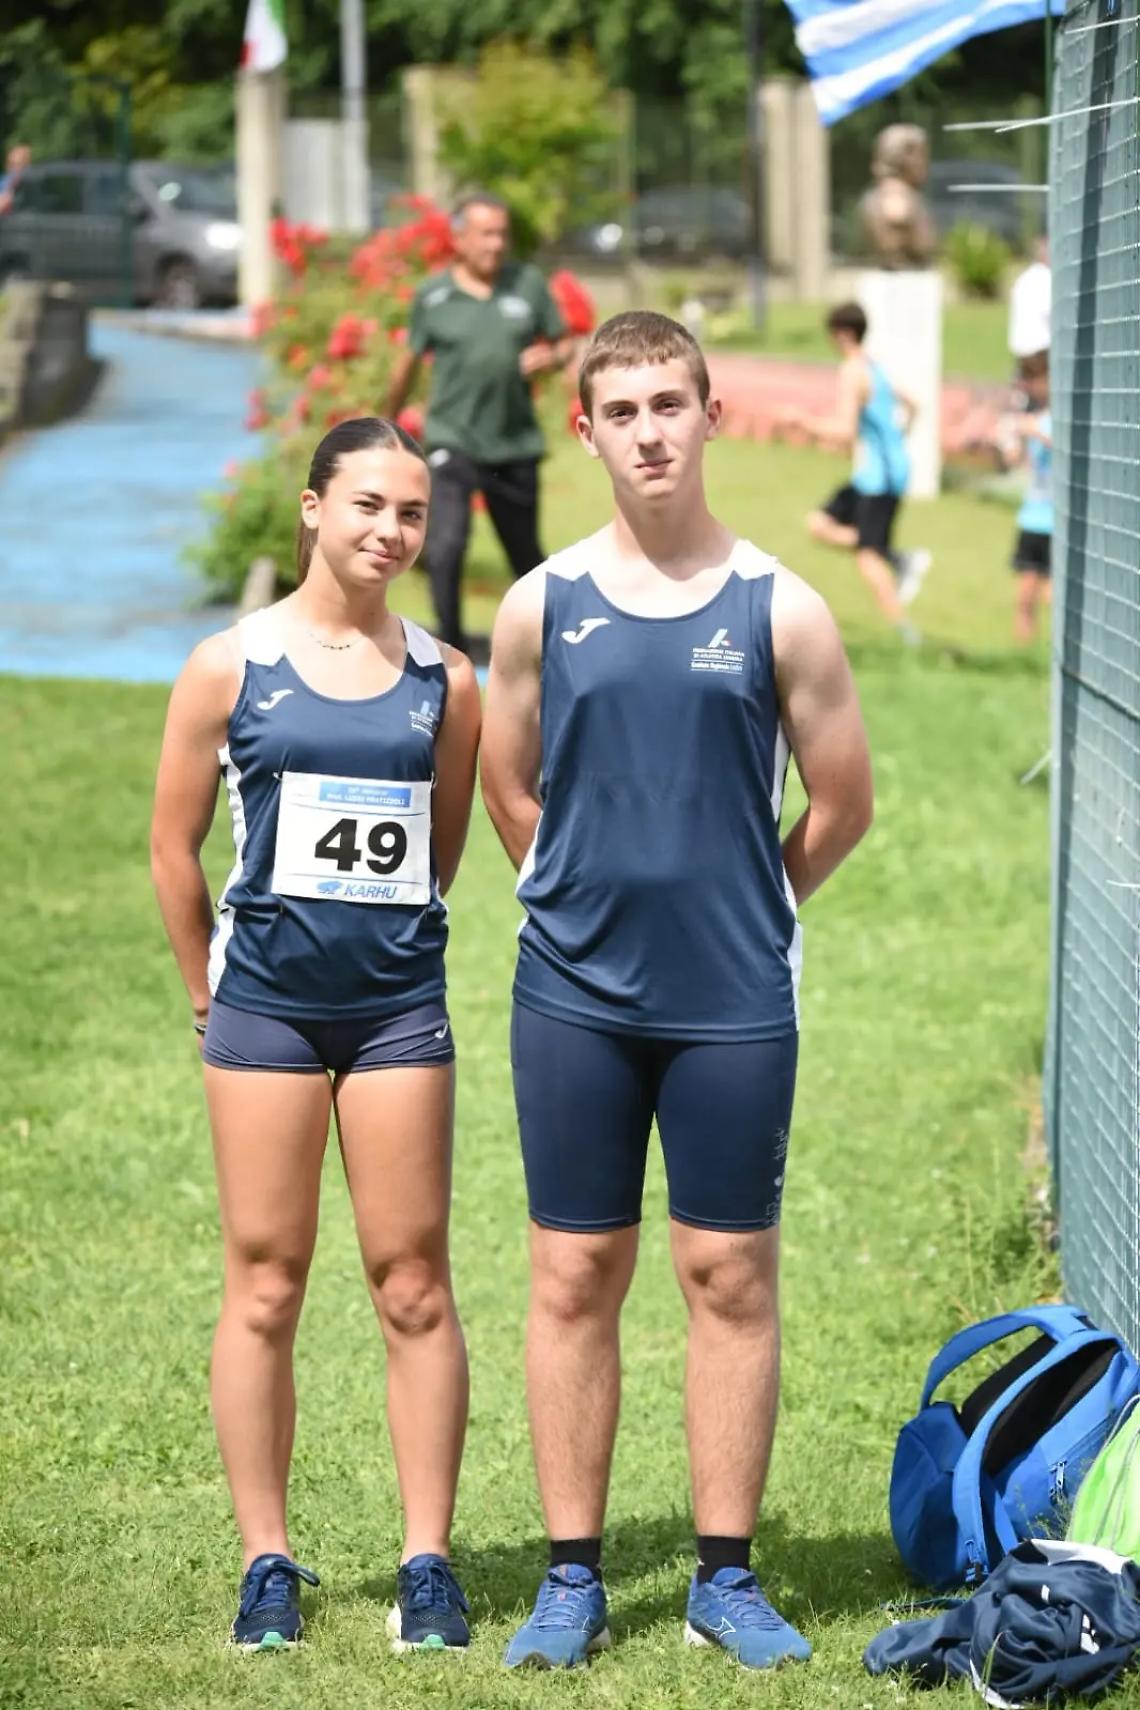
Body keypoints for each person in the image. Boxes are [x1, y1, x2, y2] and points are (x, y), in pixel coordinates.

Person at [480, 311, 874, 1672]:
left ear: (711, 416)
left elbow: (841, 801)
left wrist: (745, 908)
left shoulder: (783, 604)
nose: (651, 430)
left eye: (672, 403)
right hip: (573, 999)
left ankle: (725, 1574)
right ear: (583, 428)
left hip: (732, 1003)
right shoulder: (540, 602)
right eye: (624, 409)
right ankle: (571, 1576)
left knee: (729, 1274)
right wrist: (582, 893)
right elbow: (508, 778)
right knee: (575, 1272)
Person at [150, 417, 482, 1653]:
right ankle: (267, 1561)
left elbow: (438, 852)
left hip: (398, 1014)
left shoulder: (449, 681)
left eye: (411, 513)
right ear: (311, 509)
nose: (392, 531)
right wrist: (206, 994)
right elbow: (172, 847)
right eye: (369, 507)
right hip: (265, 1015)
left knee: (413, 1282)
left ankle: (428, 1564)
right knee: (267, 1282)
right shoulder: (229, 666)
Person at [385, 191, 576, 648]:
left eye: (502, 234)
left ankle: (557, 645)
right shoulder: (434, 297)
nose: (496, 244)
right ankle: (450, 652)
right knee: (447, 547)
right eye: (486, 234)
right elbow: (407, 364)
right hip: (453, 439)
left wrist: (551, 356)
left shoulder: (527, 284)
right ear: (460, 240)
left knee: (526, 558)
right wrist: (385, 428)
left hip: (513, 444)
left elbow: (567, 343)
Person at [784, 301, 931, 639]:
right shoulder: (873, 365)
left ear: (843, 333)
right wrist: (896, 436)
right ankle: (899, 558)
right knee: (819, 524)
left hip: (879, 479)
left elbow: (845, 431)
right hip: (882, 472)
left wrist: (803, 423)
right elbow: (913, 403)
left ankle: (906, 634)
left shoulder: (852, 371)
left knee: (867, 557)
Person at [996, 350, 1052, 644]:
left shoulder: (1059, 419)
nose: (1031, 386)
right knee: (1024, 597)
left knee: (1053, 598)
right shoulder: (1034, 417)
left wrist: (1035, 431)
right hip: (1033, 516)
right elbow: (1016, 460)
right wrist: (1010, 446)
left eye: (1035, 378)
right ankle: (1024, 654)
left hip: (1059, 521)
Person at [1008, 237, 1051, 366]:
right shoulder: (1046, 277)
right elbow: (1049, 311)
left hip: (1020, 348)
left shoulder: (1023, 278)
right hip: (1040, 348)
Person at [0, 143, 30, 215]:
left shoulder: (32, 183)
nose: (13, 168)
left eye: (18, 164)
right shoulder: (5, 181)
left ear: (27, 165)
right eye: (11, 164)